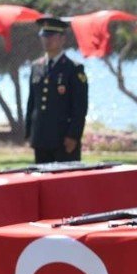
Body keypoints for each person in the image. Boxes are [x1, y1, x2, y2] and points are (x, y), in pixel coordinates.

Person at [24, 17, 88, 165]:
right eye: (44, 36)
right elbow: (32, 101)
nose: (47, 40)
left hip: (63, 138)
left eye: (51, 36)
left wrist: (73, 135)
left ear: (62, 39)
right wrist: (29, 132)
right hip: (41, 137)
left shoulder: (73, 68)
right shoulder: (36, 66)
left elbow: (80, 106)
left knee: (65, 185)